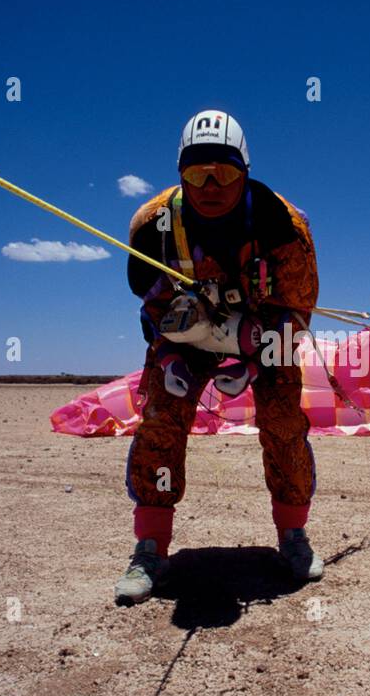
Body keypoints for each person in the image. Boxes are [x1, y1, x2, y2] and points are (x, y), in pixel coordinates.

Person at [115, 110, 322, 604]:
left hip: (262, 333)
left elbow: (297, 311)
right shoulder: (153, 225)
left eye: (225, 172)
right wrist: (170, 358)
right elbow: (149, 304)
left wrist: (251, 359)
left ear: (245, 171)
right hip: (186, 335)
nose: (211, 185)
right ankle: (150, 549)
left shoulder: (282, 224)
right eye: (196, 172)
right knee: (160, 423)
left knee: (284, 424)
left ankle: (293, 537)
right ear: (180, 174)